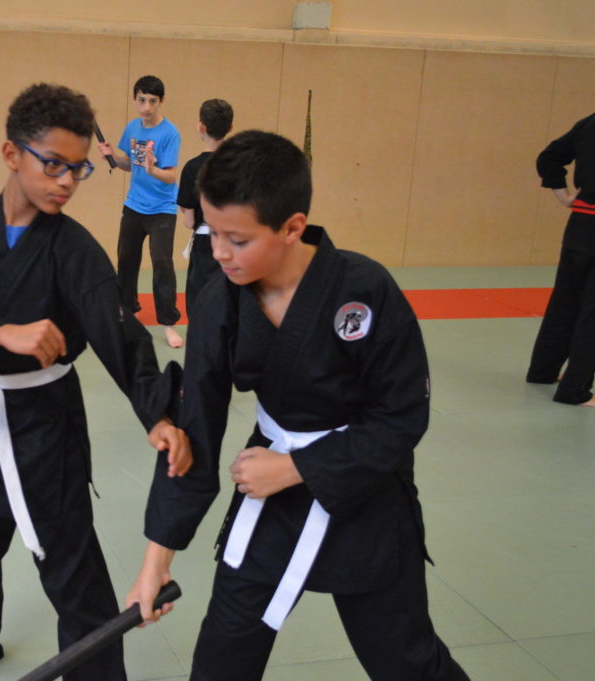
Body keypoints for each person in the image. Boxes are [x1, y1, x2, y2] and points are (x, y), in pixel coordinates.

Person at [128, 130, 471, 681]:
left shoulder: (365, 290)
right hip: (267, 490)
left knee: (404, 658)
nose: (218, 253)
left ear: (292, 227)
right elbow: (195, 430)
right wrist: (154, 563)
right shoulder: (220, 296)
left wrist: (296, 468)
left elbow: (401, 415)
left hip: (362, 491)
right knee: (222, 656)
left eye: (236, 239)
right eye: (211, 233)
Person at [0, 83, 191, 681]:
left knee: (70, 565)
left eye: (78, 169)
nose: (66, 181)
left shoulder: (74, 250)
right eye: (53, 164)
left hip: (45, 424)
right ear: (12, 155)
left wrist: (158, 413)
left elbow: (121, 335)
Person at [97, 75, 184, 348]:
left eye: (153, 101)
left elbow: (171, 177)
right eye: (142, 100)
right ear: (135, 99)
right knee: (126, 260)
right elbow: (127, 164)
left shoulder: (170, 133)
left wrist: (152, 170)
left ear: (161, 102)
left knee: (162, 265)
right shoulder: (133, 127)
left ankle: (169, 324)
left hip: (162, 210)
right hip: (134, 205)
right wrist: (112, 155)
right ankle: (126, 310)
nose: (146, 106)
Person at [526, 112, 595, 407]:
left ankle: (542, 371)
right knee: (592, 314)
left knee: (564, 302)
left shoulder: (591, 122)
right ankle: (574, 390)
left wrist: (565, 196)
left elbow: (549, 158)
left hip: (580, 224)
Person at [177, 98, 233, 315]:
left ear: (201, 126)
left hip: (205, 242)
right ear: (230, 128)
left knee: (201, 305)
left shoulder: (192, 168)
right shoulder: (239, 164)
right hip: (235, 243)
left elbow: (189, 221)